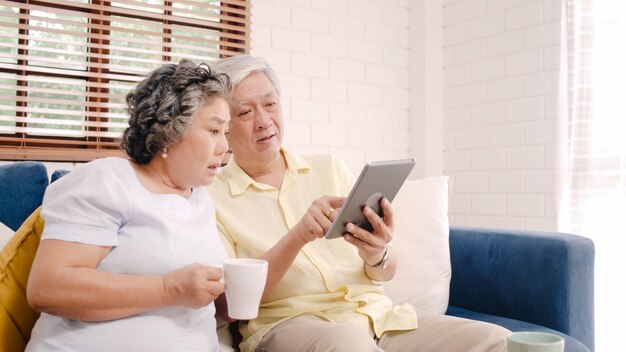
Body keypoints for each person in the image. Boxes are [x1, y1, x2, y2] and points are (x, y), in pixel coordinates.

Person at [208, 55, 511, 352]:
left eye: (270, 104)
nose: (263, 121)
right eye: (245, 112)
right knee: (349, 345)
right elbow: (230, 306)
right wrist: (299, 236)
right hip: (292, 325)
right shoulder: (213, 198)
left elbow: (386, 271)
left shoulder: (328, 167)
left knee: (500, 340)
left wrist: (377, 253)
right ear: (224, 126)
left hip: (379, 318)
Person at [25, 59, 232, 352]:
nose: (225, 146)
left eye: (226, 132)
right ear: (170, 132)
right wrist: (169, 289)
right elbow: (48, 288)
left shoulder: (199, 199)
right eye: (214, 131)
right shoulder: (108, 179)